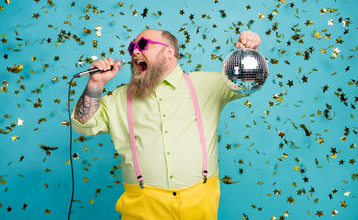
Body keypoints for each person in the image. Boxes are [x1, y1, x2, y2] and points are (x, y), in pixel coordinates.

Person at [72, 29, 261, 220]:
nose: (135, 52)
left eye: (143, 45)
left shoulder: (207, 83)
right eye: (132, 47)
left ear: (169, 52)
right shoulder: (118, 98)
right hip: (142, 207)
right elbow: (83, 124)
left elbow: (249, 81)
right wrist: (95, 83)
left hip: (200, 203)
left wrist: (249, 53)